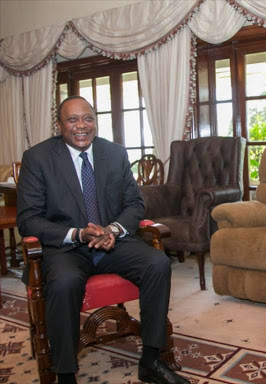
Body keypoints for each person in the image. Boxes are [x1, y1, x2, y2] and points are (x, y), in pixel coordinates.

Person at [17, 96, 190, 384]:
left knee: (157, 263)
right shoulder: (38, 158)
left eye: (88, 118)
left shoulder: (115, 153)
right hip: (66, 248)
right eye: (72, 120)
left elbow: (134, 204)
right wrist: (78, 234)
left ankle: (150, 360)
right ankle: (66, 374)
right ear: (59, 125)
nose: (81, 126)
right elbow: (28, 219)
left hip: (113, 243)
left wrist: (114, 230)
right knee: (64, 282)